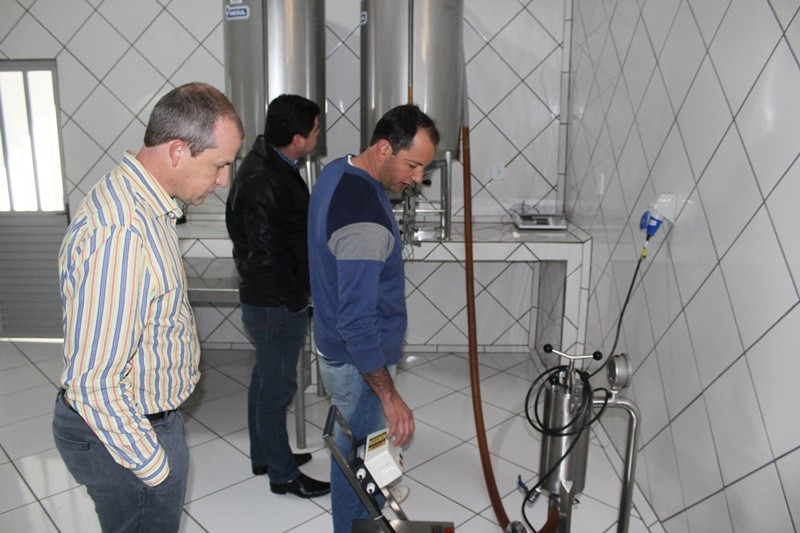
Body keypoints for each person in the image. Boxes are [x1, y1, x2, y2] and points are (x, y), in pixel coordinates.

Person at [52, 82, 244, 532]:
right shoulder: (121, 234)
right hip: (124, 437)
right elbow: (93, 382)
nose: (223, 180)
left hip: (142, 420)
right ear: (177, 151)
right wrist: (156, 468)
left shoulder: (143, 202)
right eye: (219, 165)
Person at [308, 104, 439, 531]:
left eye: (424, 168)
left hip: (338, 350)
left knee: (356, 454)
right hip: (358, 365)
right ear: (384, 149)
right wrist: (388, 394)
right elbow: (357, 321)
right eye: (413, 165)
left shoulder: (338, 171)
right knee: (357, 470)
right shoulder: (364, 220)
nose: (417, 178)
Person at [225, 94, 330, 498]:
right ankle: (283, 475)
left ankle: (265, 455)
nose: (318, 135)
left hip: (269, 299)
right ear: (298, 139)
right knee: (278, 387)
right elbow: (266, 256)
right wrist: (295, 299)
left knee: (264, 379)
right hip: (275, 303)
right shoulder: (264, 179)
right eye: (315, 130)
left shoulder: (272, 163)